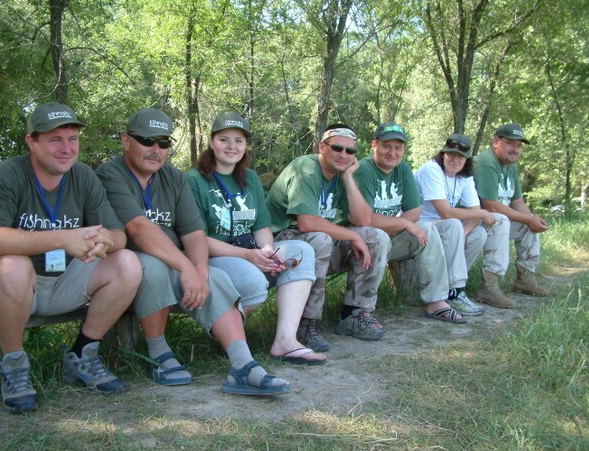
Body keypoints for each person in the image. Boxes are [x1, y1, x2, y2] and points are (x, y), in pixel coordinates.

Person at [96, 108, 290, 396]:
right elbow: (138, 229)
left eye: (163, 143)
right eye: (147, 141)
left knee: (215, 277)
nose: (155, 150)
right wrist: (187, 267)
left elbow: (194, 231)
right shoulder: (111, 173)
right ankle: (158, 352)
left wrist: (199, 269)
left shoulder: (173, 177)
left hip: (173, 260)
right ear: (126, 141)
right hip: (126, 267)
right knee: (155, 266)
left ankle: (243, 365)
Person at [0, 102, 143, 414]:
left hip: (63, 280)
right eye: (55, 140)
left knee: (127, 262)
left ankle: (82, 356)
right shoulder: (8, 174)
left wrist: (104, 240)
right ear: (31, 141)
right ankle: (14, 366)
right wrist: (62, 238)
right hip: (7, 286)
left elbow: (118, 234)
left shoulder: (83, 176)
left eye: (72, 139)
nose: (67, 148)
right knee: (13, 265)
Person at [185, 113, 325, 365]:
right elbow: (197, 239)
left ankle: (285, 340)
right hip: (215, 256)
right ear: (212, 142)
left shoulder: (249, 178)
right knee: (253, 278)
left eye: (238, 141)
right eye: (224, 140)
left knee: (300, 250)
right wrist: (249, 256)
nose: (232, 146)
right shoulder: (194, 180)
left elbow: (261, 227)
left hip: (249, 249)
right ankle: (226, 335)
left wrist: (269, 252)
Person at [266, 123, 390, 350]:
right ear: (322, 147)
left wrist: (348, 178)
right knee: (320, 238)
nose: (344, 155)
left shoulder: (340, 175)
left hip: (316, 243)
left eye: (350, 151)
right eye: (337, 148)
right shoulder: (306, 169)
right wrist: (351, 236)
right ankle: (304, 323)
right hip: (280, 247)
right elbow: (306, 222)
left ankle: (354, 314)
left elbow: (364, 220)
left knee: (374, 236)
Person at [354, 122, 465, 324]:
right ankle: (361, 312)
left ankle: (436, 301)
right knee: (381, 235)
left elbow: (414, 210)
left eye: (398, 148)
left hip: (389, 237)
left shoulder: (403, 169)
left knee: (426, 228)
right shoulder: (364, 170)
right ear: (374, 145)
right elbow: (366, 219)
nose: (392, 153)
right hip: (361, 240)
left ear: (404, 149)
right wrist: (403, 225)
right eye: (386, 146)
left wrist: (398, 226)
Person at [414, 133, 500, 315]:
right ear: (443, 154)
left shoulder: (464, 177)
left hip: (443, 228)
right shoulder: (432, 170)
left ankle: (448, 288)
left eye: (460, 156)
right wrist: (480, 214)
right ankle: (455, 291)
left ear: (467, 159)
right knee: (453, 224)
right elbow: (445, 212)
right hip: (420, 227)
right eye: (451, 154)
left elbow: (475, 215)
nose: (455, 159)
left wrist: (463, 234)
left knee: (479, 234)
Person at [472, 123, 549, 306]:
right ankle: (489, 286)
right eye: (510, 143)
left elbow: (517, 202)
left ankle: (525, 278)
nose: (515, 149)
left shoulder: (511, 166)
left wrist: (532, 220)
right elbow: (490, 205)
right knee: (501, 220)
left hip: (493, 218)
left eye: (519, 145)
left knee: (527, 224)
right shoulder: (486, 162)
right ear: (496, 142)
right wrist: (528, 219)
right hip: (473, 220)